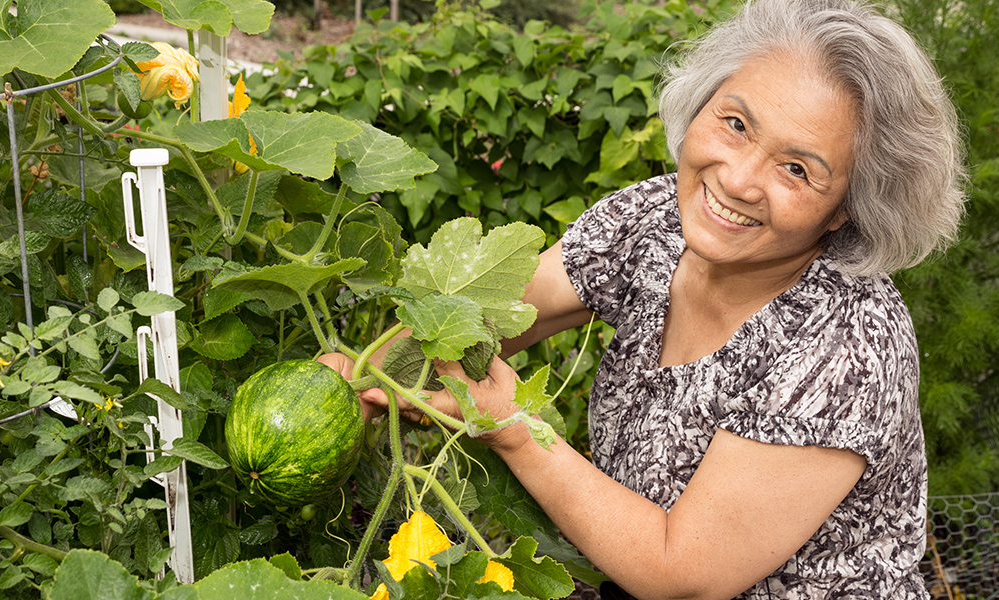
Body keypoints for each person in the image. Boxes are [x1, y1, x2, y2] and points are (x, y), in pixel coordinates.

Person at [322, 0, 965, 597]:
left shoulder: (848, 345)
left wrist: (515, 429)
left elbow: (681, 570)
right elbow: (488, 318)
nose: (739, 181)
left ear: (844, 214)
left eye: (797, 169)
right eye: (736, 124)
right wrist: (358, 381)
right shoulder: (653, 220)